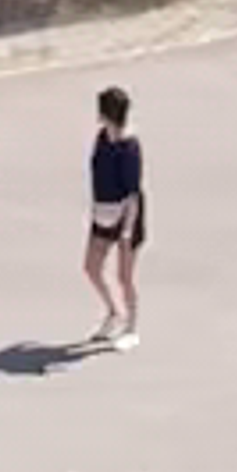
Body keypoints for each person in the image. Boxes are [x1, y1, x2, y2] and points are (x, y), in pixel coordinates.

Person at [82, 81, 147, 346]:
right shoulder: (101, 138)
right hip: (103, 211)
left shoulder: (129, 147)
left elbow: (132, 194)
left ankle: (131, 327)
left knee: (124, 276)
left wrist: (128, 231)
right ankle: (114, 311)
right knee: (91, 267)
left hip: (126, 216)